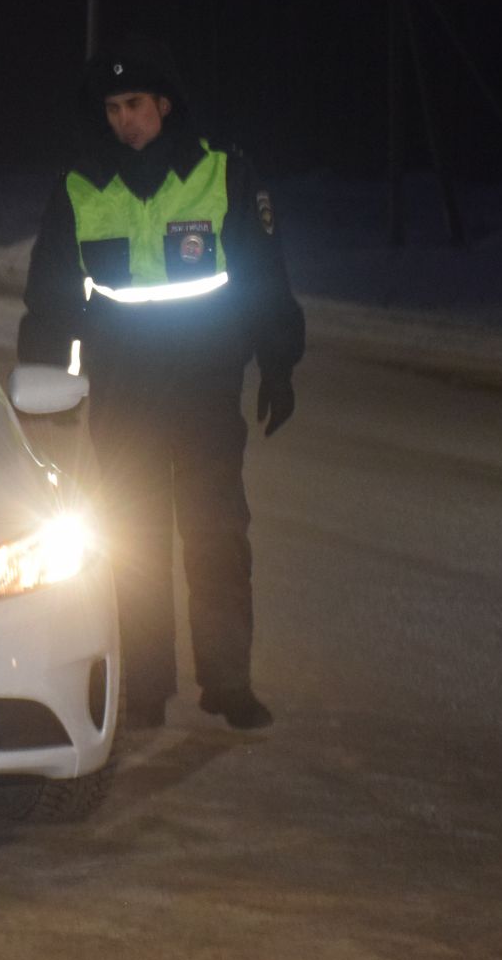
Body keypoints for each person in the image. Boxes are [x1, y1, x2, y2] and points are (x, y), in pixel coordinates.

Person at [17, 36, 304, 731]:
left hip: (205, 386)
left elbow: (264, 277)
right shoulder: (80, 187)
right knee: (133, 541)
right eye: (113, 108)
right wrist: (43, 384)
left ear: (165, 106)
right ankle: (143, 688)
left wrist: (278, 362)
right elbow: (51, 297)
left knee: (217, 533)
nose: (125, 120)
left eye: (136, 105)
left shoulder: (221, 174)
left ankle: (228, 683)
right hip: (123, 390)